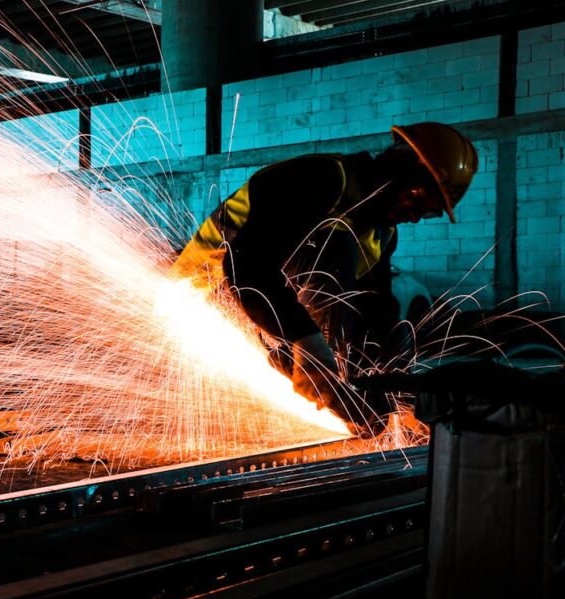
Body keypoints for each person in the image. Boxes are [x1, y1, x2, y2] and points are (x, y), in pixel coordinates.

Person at [173, 122, 478, 430]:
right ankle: (294, 356)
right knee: (333, 242)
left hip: (259, 310)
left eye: (427, 212)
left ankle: (333, 381)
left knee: (392, 336)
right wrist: (305, 341)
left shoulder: (382, 234)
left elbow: (375, 311)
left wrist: (385, 388)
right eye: (416, 197)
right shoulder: (319, 178)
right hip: (205, 299)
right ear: (397, 164)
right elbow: (247, 268)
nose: (414, 216)